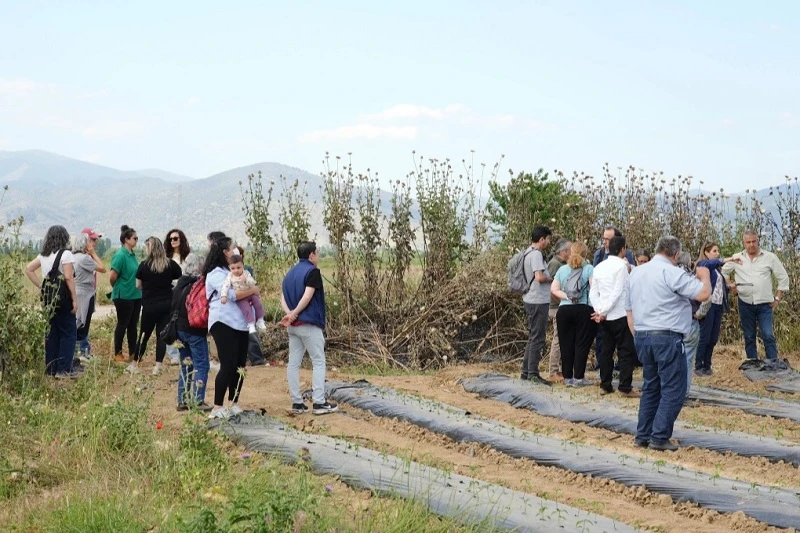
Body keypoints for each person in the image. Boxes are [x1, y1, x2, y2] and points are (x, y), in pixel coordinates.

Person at [627, 236, 711, 451]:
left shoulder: (636, 273)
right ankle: (659, 437)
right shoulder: (670, 272)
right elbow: (703, 293)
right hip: (666, 336)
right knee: (674, 388)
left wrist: (637, 334)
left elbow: (629, 309)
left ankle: (643, 435)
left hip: (643, 335)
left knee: (651, 387)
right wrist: (705, 275)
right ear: (675, 255)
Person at [281, 241, 338, 414]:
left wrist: (289, 314)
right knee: (318, 361)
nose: (318, 256)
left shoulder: (290, 273)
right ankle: (319, 402)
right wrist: (295, 313)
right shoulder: (312, 271)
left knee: (293, 363)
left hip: (293, 326)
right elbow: (307, 297)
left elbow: (282, 297)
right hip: (309, 323)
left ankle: (297, 403)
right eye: (317, 253)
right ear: (311, 255)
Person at [204, 237, 258, 419]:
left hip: (240, 323)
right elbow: (233, 295)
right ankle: (217, 406)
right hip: (223, 322)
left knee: (240, 364)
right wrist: (253, 290)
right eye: (233, 248)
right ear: (226, 252)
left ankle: (233, 402)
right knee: (227, 363)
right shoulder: (216, 274)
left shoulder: (234, 271)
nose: (236, 251)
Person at [721, 230, 790, 361]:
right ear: (744, 243)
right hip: (745, 303)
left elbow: (783, 277)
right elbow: (723, 272)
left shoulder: (770, 257)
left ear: (758, 241)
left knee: (768, 335)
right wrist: (731, 285)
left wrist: (777, 298)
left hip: (765, 304)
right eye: (748, 242)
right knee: (749, 336)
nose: (751, 244)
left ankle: (773, 363)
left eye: (754, 241)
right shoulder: (737, 258)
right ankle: (752, 364)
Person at [25, 225, 78, 378]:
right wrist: (74, 299)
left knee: (52, 333)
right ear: (64, 237)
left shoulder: (43, 254)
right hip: (63, 299)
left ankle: (51, 369)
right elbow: (68, 277)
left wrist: (42, 286)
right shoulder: (66, 254)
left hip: (49, 299)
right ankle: (63, 370)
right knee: (68, 334)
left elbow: (29, 269)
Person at [589, 236, 638, 397]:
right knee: (625, 351)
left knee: (606, 351)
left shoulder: (599, 267)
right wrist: (603, 311)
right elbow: (618, 292)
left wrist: (599, 311)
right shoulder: (621, 267)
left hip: (604, 317)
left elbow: (593, 293)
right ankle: (624, 387)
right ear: (623, 249)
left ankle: (605, 384)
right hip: (620, 314)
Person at [127, 237, 182, 375]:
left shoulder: (144, 265)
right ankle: (158, 366)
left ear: (149, 249)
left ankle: (134, 364)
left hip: (149, 305)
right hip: (166, 304)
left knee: (144, 335)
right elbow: (178, 275)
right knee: (161, 336)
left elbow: (138, 285)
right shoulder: (170, 264)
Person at [551, 242, 596, 387]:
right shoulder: (589, 268)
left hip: (564, 310)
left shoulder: (563, 269)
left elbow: (554, 289)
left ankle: (567, 377)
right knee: (581, 344)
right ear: (585, 254)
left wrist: (567, 297)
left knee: (566, 344)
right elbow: (594, 288)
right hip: (583, 308)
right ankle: (579, 378)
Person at [174, 253, 212, 411]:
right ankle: (198, 400)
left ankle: (182, 400)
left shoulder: (179, 284)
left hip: (179, 330)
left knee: (186, 365)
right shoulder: (198, 286)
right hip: (194, 330)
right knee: (202, 364)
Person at [695, 242, 740, 375]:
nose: (717, 253)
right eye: (714, 251)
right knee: (705, 336)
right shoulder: (703, 265)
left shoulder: (716, 270)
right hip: (707, 305)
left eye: (718, 251)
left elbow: (718, 287)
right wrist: (730, 259)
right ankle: (698, 366)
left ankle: (707, 365)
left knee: (713, 337)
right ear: (706, 253)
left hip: (718, 305)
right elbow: (712, 264)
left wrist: (729, 287)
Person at [520, 226, 554, 385]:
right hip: (537, 300)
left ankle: (526, 372)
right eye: (547, 239)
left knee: (533, 336)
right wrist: (551, 279)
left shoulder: (527, 252)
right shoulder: (536, 255)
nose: (548, 242)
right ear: (542, 239)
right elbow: (539, 277)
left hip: (530, 298)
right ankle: (533, 373)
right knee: (538, 338)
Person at [72, 229, 107, 362]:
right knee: (82, 324)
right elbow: (103, 268)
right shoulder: (85, 258)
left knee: (79, 322)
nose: (94, 244)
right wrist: (93, 254)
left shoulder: (73, 257)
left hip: (79, 292)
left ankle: (80, 353)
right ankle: (78, 354)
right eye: (91, 241)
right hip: (85, 294)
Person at [110, 225, 142, 362]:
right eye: (135, 238)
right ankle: (118, 353)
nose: (136, 240)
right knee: (123, 324)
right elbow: (112, 276)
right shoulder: (120, 255)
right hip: (123, 296)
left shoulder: (132, 255)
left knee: (133, 325)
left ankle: (133, 353)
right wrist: (119, 288)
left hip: (135, 295)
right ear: (126, 239)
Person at [545, 238, 571, 382]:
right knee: (558, 338)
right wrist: (561, 303)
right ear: (563, 252)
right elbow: (552, 289)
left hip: (560, 306)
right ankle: (553, 371)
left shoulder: (561, 264)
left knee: (562, 338)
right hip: (556, 307)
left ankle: (559, 370)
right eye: (570, 250)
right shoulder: (555, 264)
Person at [164, 228, 191, 365]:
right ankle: (173, 353)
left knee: (184, 320)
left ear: (181, 240)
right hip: (172, 290)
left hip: (186, 290)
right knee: (171, 320)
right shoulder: (166, 257)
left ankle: (186, 351)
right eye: (170, 239)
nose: (172, 241)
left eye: (175, 238)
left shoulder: (188, 256)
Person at [220, 254, 266, 333]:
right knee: (246, 309)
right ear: (229, 268)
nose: (236, 270)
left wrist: (246, 280)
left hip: (250, 294)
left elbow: (253, 283)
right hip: (241, 297)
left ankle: (260, 319)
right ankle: (251, 324)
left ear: (243, 266)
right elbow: (225, 286)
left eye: (238, 267)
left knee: (257, 302)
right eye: (233, 268)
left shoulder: (246, 273)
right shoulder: (230, 276)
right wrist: (223, 295)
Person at [676, 251, 701, 396]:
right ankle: (683, 392)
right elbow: (706, 297)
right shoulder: (691, 277)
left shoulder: (666, 276)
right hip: (690, 321)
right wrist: (700, 314)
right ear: (688, 262)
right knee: (688, 358)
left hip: (670, 323)